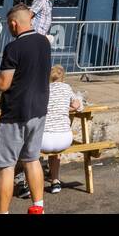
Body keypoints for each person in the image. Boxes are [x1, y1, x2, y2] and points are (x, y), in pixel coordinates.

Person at [0, 4, 52, 214]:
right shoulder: (44, 42)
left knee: (6, 166)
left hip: (16, 112)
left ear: (14, 23)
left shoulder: (13, 48)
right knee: (32, 159)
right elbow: (28, 69)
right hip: (39, 109)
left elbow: (4, 84)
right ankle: (38, 207)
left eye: (10, 24)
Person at [40, 65, 84, 195]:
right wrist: (64, 108)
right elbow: (77, 105)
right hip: (65, 139)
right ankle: (55, 181)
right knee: (56, 152)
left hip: (44, 140)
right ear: (63, 77)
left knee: (30, 150)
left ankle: (28, 182)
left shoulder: (43, 89)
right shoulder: (67, 88)